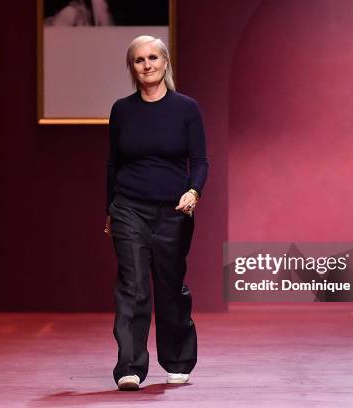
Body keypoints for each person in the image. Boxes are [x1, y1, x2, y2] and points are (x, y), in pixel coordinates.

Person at [104, 35, 209, 391]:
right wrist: (110, 210)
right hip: (129, 208)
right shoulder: (122, 110)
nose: (147, 65)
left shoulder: (186, 108)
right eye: (139, 60)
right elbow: (113, 164)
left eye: (153, 57)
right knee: (133, 287)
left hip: (174, 212)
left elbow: (199, 160)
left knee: (169, 287)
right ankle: (130, 367)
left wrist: (194, 191)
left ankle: (178, 360)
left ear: (165, 62)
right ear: (132, 68)